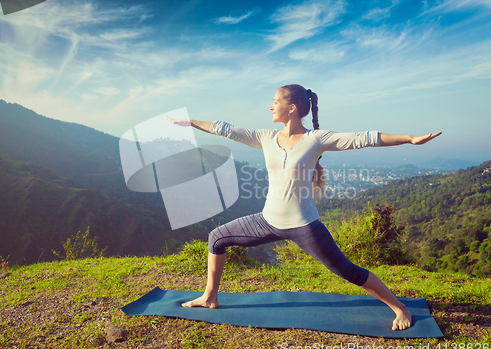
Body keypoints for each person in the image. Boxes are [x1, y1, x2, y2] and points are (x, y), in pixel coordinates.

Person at [165, 84, 442, 331]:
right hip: (267, 220)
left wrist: (409, 138)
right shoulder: (264, 137)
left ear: (292, 108)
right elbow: (225, 128)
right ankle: (210, 296)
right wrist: (188, 122)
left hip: (304, 226)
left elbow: (365, 138)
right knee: (216, 238)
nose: (270, 106)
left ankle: (400, 308)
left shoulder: (316, 139)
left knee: (348, 271)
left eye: (275, 101)